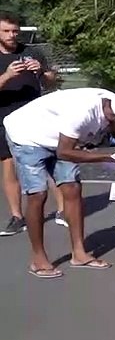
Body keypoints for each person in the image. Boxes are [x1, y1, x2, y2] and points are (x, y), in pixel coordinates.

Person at [4, 87, 115, 277]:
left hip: (60, 136)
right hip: (27, 135)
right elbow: (64, 152)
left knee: (72, 188)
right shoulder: (81, 113)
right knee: (37, 194)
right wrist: (107, 158)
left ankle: (79, 254)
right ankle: (38, 259)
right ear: (111, 116)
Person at [0, 14, 61, 236]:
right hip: (5, 117)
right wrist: (6, 76)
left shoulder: (30, 51)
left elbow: (52, 80)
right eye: (6, 31)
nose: (11, 35)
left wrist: (42, 72)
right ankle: (17, 216)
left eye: (15, 31)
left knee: (50, 160)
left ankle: (63, 210)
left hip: (36, 115)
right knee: (9, 165)